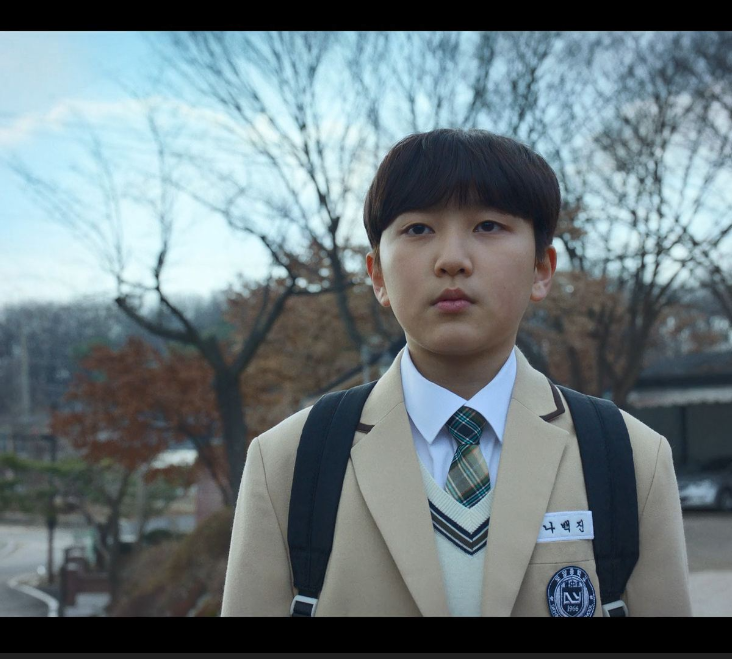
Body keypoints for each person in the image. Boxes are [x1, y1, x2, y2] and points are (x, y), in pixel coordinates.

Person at [221, 129, 692, 617]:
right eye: (418, 229)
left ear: (541, 269)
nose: (451, 260)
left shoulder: (630, 459)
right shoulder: (289, 464)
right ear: (378, 275)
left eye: (488, 225)